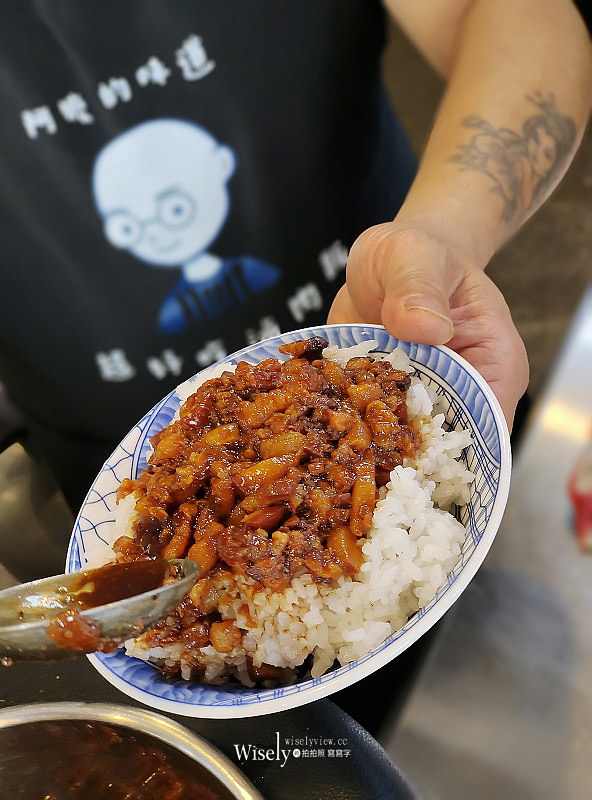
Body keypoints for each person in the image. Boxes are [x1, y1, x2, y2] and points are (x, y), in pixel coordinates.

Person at [0, 0, 589, 732]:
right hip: (119, 489)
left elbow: (517, 16)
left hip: (411, 359)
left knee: (517, 672)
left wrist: (440, 238)